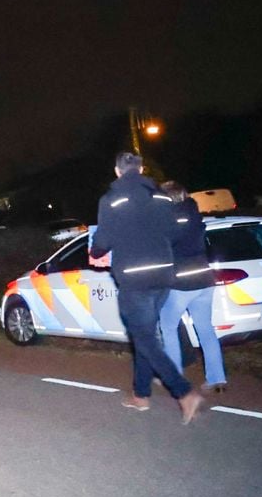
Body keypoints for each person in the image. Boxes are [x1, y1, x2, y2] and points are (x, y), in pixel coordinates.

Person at [88, 152, 203, 424]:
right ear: (141, 169)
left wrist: (96, 250)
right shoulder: (162, 198)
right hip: (163, 276)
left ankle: (184, 392)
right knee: (145, 335)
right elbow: (174, 233)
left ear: (117, 171)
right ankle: (141, 396)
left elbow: (102, 239)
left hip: (134, 279)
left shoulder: (111, 200)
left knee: (144, 338)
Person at [158, 181, 228, 394]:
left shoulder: (168, 221)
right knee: (206, 329)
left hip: (182, 283)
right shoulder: (196, 217)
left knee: (168, 327)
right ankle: (217, 379)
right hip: (205, 280)